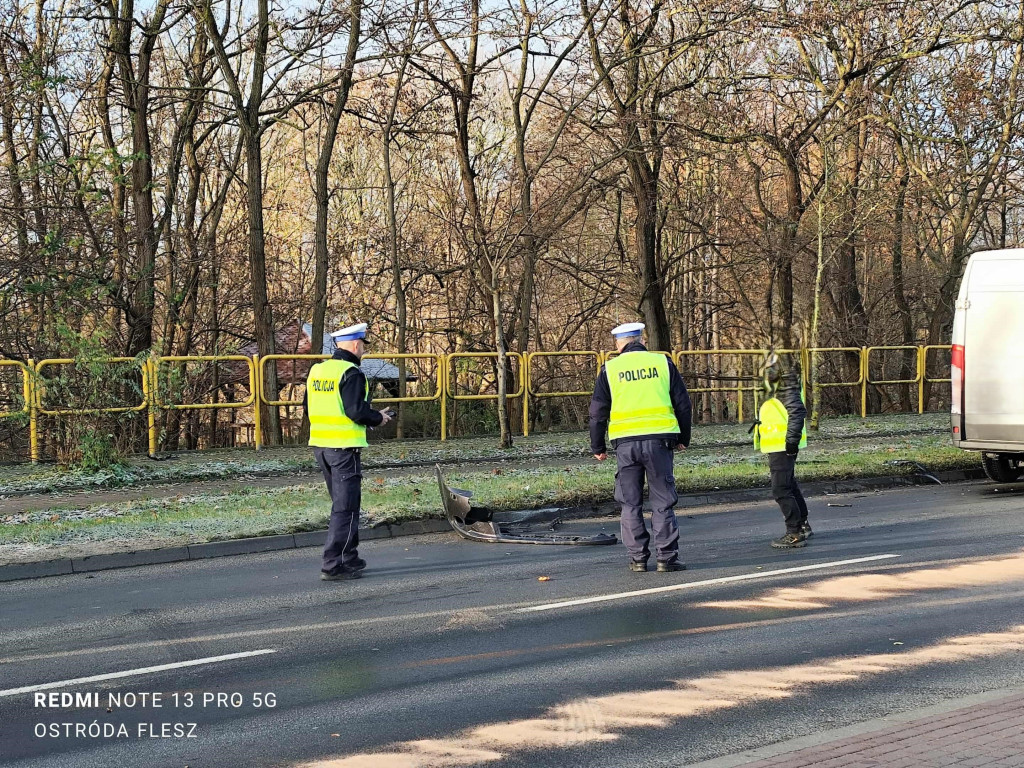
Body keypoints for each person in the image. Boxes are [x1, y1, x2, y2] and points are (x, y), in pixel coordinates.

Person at [589, 322, 692, 573]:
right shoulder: (662, 364)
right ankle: (666, 559)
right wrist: (683, 437)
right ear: (642, 339)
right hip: (660, 442)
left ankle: (637, 559)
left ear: (618, 344)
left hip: (625, 445)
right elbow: (683, 404)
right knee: (662, 501)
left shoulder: (609, 369)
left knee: (630, 503)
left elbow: (597, 412)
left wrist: (598, 445)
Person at [304, 322, 392, 581]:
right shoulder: (351, 373)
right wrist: (378, 418)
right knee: (346, 508)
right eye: (363, 345)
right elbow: (356, 411)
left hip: (321, 447)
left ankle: (349, 557)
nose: (363, 350)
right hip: (344, 450)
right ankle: (334, 564)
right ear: (355, 345)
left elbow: (308, 409)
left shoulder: (318, 371)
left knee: (343, 505)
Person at [752, 352, 811, 548]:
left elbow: (797, 411)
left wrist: (791, 441)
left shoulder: (783, 383)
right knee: (789, 484)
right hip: (780, 442)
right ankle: (802, 525)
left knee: (781, 489)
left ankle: (794, 533)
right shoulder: (778, 383)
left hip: (782, 444)